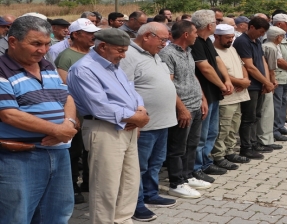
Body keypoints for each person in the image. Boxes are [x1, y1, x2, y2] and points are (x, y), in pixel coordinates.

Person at [67, 28, 150, 224]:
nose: (123, 55)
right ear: (103, 46)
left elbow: (131, 91)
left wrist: (140, 109)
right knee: (106, 184)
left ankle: (122, 219)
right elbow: (99, 107)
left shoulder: (114, 65)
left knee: (129, 180)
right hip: (103, 128)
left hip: (127, 127)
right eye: (120, 50)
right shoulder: (83, 68)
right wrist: (135, 118)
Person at [0, 16, 77, 224]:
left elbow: (67, 97)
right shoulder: (1, 69)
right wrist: (56, 130)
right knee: (17, 215)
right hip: (20, 156)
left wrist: (68, 125)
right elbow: (8, 113)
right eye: (35, 44)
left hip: (58, 151)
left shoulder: (47, 66)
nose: (43, 50)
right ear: (13, 41)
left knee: (57, 212)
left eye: (46, 44)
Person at [119, 22, 178, 221]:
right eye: (162, 39)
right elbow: (125, 89)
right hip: (144, 124)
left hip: (163, 121)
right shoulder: (129, 56)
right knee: (138, 166)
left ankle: (150, 194)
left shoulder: (155, 54)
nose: (165, 43)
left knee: (156, 163)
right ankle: (135, 204)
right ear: (146, 36)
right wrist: (134, 117)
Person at [159, 20, 211, 199]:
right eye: (195, 32)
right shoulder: (167, 54)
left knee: (192, 144)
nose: (197, 35)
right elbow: (168, 83)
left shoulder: (188, 52)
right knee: (177, 147)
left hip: (195, 104)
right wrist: (181, 108)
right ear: (186, 35)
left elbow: (192, 76)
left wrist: (202, 98)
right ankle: (176, 182)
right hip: (183, 107)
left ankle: (188, 176)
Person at [54, 18, 101, 204]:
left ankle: (89, 183)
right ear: (75, 34)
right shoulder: (66, 57)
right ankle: (72, 186)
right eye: (89, 33)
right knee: (75, 152)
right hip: (77, 113)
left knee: (90, 151)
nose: (93, 36)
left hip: (94, 113)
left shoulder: (94, 54)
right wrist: (73, 115)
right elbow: (65, 88)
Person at [189, 10, 234, 182]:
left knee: (212, 132)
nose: (217, 24)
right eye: (215, 22)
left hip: (213, 93)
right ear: (209, 25)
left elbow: (217, 61)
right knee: (201, 134)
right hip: (203, 93)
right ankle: (197, 166)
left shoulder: (207, 40)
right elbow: (205, 68)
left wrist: (227, 80)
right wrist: (222, 84)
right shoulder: (196, 43)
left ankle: (206, 161)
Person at [233, 16, 273, 160]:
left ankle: (254, 142)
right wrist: (266, 82)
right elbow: (249, 66)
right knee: (248, 118)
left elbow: (262, 61)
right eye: (260, 31)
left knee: (257, 115)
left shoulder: (256, 41)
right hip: (251, 86)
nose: (262, 35)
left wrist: (266, 81)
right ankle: (246, 147)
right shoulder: (242, 41)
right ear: (251, 27)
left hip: (259, 84)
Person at [212, 24, 252, 170]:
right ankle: (218, 155)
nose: (231, 40)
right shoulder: (213, 51)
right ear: (217, 36)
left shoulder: (232, 48)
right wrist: (239, 81)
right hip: (226, 97)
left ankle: (230, 151)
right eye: (228, 38)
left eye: (232, 37)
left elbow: (242, 66)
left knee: (234, 126)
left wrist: (245, 80)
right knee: (223, 127)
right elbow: (219, 73)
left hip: (240, 94)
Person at [260, 26, 285, 150]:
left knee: (267, 111)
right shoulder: (270, 47)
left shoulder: (267, 46)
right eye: (281, 36)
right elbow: (271, 69)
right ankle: (265, 140)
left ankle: (267, 138)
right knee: (267, 112)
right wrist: (272, 82)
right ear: (278, 37)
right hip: (267, 82)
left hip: (266, 81)